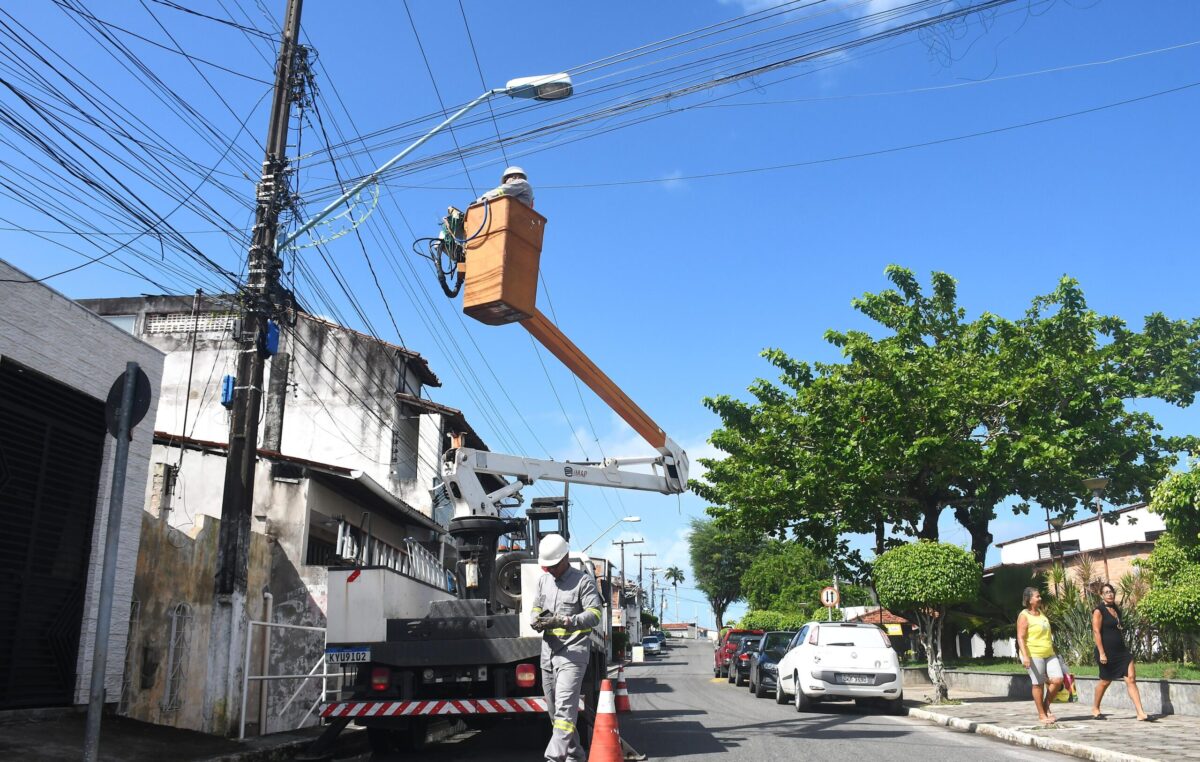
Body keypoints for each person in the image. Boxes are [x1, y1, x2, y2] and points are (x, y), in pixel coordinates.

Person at [530, 534, 603, 762]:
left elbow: (595, 615)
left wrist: (566, 620)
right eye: (547, 566)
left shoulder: (583, 582)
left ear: (565, 559)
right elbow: (536, 606)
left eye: (553, 566)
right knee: (555, 714)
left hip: (573, 654)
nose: (550, 570)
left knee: (564, 710)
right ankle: (576, 756)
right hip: (548, 654)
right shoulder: (544, 581)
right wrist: (536, 619)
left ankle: (554, 757)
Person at [1091, 582, 1150, 720]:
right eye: (1106, 592)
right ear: (1101, 595)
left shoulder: (1116, 609)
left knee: (1131, 679)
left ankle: (1140, 713)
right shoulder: (1099, 611)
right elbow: (1096, 632)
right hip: (1106, 651)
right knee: (1105, 681)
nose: (1110, 594)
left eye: (1111, 591)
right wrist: (1102, 653)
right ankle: (1095, 707)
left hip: (1121, 651)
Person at [1016, 586, 1063, 724]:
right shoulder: (1024, 616)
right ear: (1029, 600)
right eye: (1037, 596)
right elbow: (1020, 637)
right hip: (1033, 653)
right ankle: (1042, 715)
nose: (1040, 598)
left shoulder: (1041, 613)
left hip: (1049, 653)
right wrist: (1025, 656)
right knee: (1038, 684)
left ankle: (1046, 706)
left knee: (1058, 680)